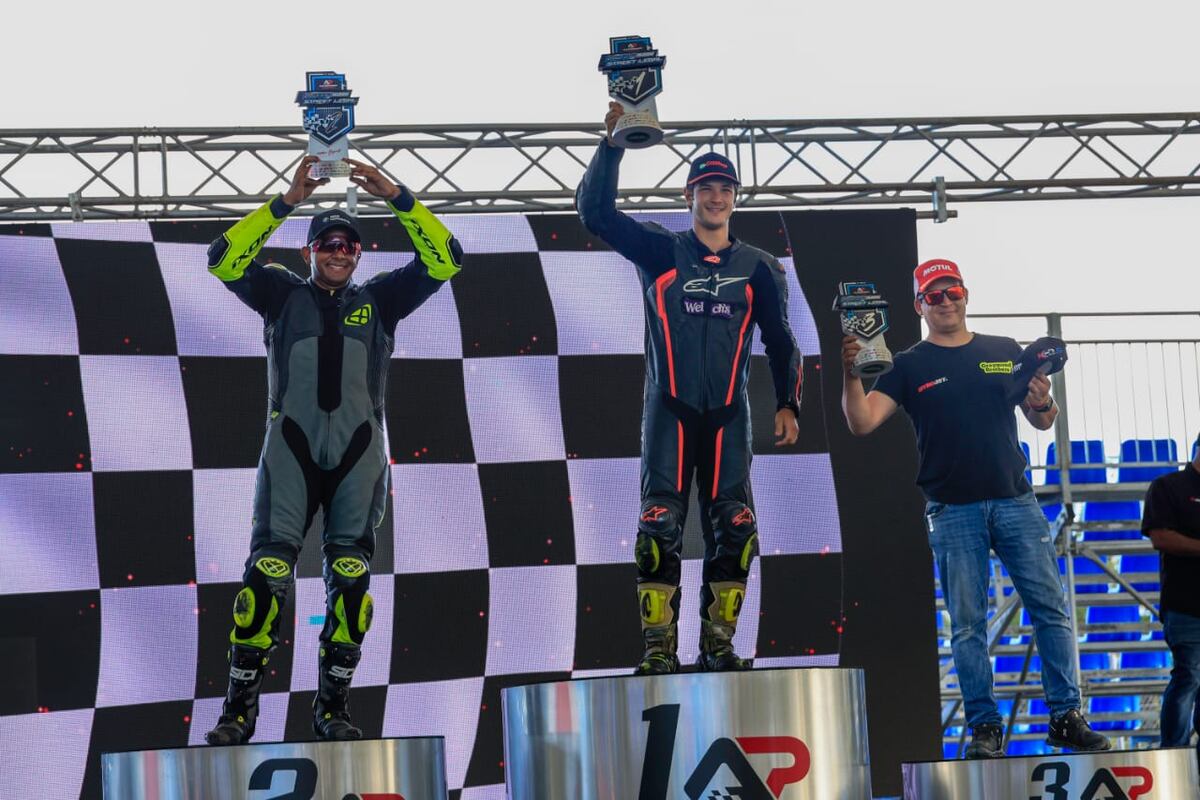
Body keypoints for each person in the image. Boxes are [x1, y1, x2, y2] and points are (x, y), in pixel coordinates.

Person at [204, 156, 463, 744]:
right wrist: (286, 202)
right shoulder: (279, 293)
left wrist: (397, 196)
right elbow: (222, 259)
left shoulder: (382, 298)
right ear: (309, 252)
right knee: (263, 582)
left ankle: (332, 710)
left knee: (350, 587)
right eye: (328, 244)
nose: (339, 253)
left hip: (359, 457)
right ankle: (237, 714)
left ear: (359, 254)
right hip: (289, 454)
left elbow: (446, 259)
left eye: (349, 245)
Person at [840, 258, 1109, 757]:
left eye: (953, 292)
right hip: (952, 508)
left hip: (1015, 499)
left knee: (1051, 610)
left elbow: (1042, 420)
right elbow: (862, 422)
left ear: (966, 295)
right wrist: (851, 375)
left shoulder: (1004, 350)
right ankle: (985, 728)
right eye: (934, 295)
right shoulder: (907, 363)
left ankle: (1066, 716)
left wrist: (1043, 399)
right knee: (967, 627)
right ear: (919, 306)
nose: (946, 302)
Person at [576, 102, 803, 675]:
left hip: (729, 416)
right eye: (706, 188)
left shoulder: (759, 267)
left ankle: (718, 647)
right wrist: (611, 146)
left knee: (737, 529)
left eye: (724, 189)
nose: (715, 198)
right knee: (658, 527)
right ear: (688, 196)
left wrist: (788, 403)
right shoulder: (660, 249)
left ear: (736, 198)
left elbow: (781, 340)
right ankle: (658, 648)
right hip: (668, 412)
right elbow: (595, 214)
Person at [1142, 436, 1200, 765]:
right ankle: (1174, 757)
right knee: (1189, 675)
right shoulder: (1168, 487)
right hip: (1186, 606)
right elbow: (1160, 536)